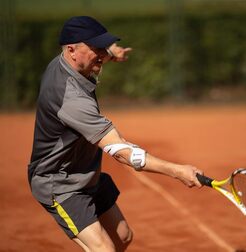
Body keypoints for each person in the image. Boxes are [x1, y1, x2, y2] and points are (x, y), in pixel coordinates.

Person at [28, 16, 203, 252]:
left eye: (103, 46)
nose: (101, 54)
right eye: (96, 48)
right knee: (103, 249)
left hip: (86, 172)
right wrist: (177, 170)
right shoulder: (70, 98)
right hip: (60, 183)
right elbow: (120, 151)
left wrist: (112, 51)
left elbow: (93, 52)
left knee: (123, 237)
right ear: (71, 50)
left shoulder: (71, 60)